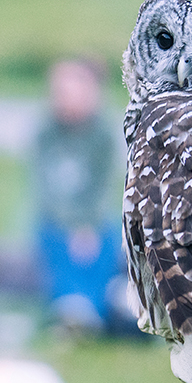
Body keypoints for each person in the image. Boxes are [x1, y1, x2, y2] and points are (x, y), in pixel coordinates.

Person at [31, 57, 133, 335]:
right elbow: (46, 188)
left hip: (93, 219)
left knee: (102, 243)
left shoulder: (101, 136)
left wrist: (86, 224)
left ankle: (89, 310)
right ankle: (71, 307)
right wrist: (72, 225)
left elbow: (103, 188)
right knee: (57, 245)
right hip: (55, 219)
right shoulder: (46, 133)